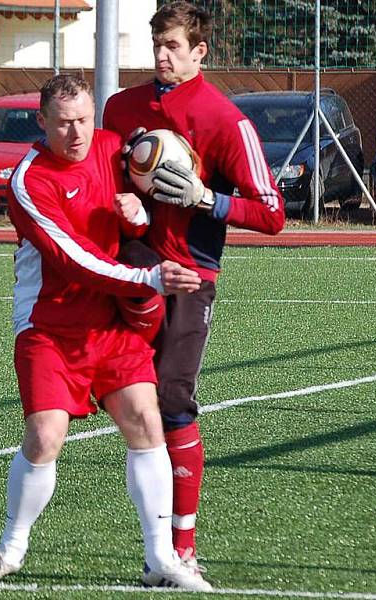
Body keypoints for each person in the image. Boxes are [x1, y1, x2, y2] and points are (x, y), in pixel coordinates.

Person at [0, 74, 212, 592]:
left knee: (146, 421)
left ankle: (161, 558)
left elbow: (135, 218)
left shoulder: (113, 148)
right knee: (46, 436)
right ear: (42, 122)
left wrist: (140, 217)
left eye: (83, 120)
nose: (76, 133)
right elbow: (72, 260)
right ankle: (9, 550)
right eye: (63, 123)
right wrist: (147, 277)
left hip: (109, 325)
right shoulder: (29, 180)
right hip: (49, 327)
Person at [103, 0, 286, 572]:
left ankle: (182, 550)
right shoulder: (121, 107)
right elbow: (96, 179)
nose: (161, 57)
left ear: (199, 51)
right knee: (99, 399)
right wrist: (122, 202)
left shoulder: (224, 119)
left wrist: (208, 199)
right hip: (127, 271)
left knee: (172, 399)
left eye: (173, 47)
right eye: (156, 46)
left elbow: (273, 212)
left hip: (187, 278)